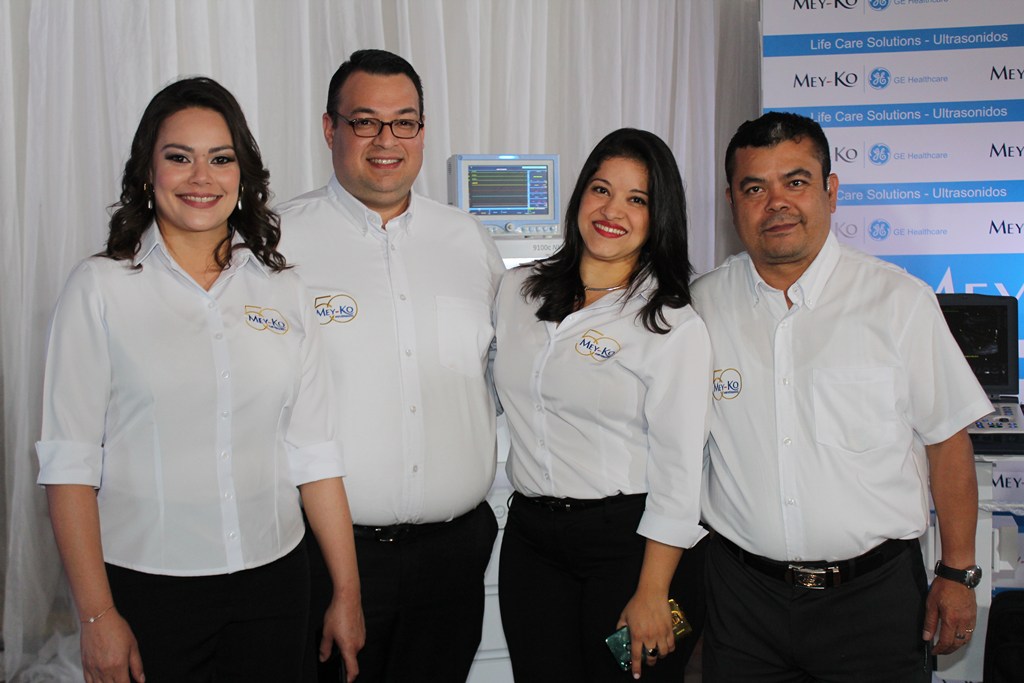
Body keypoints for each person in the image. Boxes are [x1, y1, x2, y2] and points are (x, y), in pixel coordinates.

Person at [36, 77, 364, 683]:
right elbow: (69, 466)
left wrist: (346, 592)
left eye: (220, 158)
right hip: (146, 592)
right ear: (148, 171)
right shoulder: (98, 289)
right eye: (179, 157)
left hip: (276, 585)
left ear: (242, 175)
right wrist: (96, 615)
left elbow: (314, 454)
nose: (201, 177)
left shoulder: (284, 289)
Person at [690, 111, 992, 682]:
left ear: (830, 191)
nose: (776, 203)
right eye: (755, 188)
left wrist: (958, 574)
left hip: (873, 601)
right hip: (742, 601)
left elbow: (948, 443)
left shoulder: (898, 302)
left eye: (796, 182)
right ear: (731, 202)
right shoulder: (699, 307)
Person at [276, 49, 505, 682]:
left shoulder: (468, 241)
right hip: (326, 558)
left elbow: (502, 374)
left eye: (404, 122)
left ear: (422, 132)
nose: (386, 140)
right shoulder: (276, 245)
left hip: (453, 557)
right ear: (330, 129)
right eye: (365, 122)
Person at [493, 128, 712, 682]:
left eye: (637, 199)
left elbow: (680, 469)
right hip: (533, 544)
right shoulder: (518, 292)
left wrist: (654, 590)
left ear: (659, 217)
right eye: (601, 189)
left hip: (633, 549)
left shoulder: (671, 324)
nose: (612, 211)